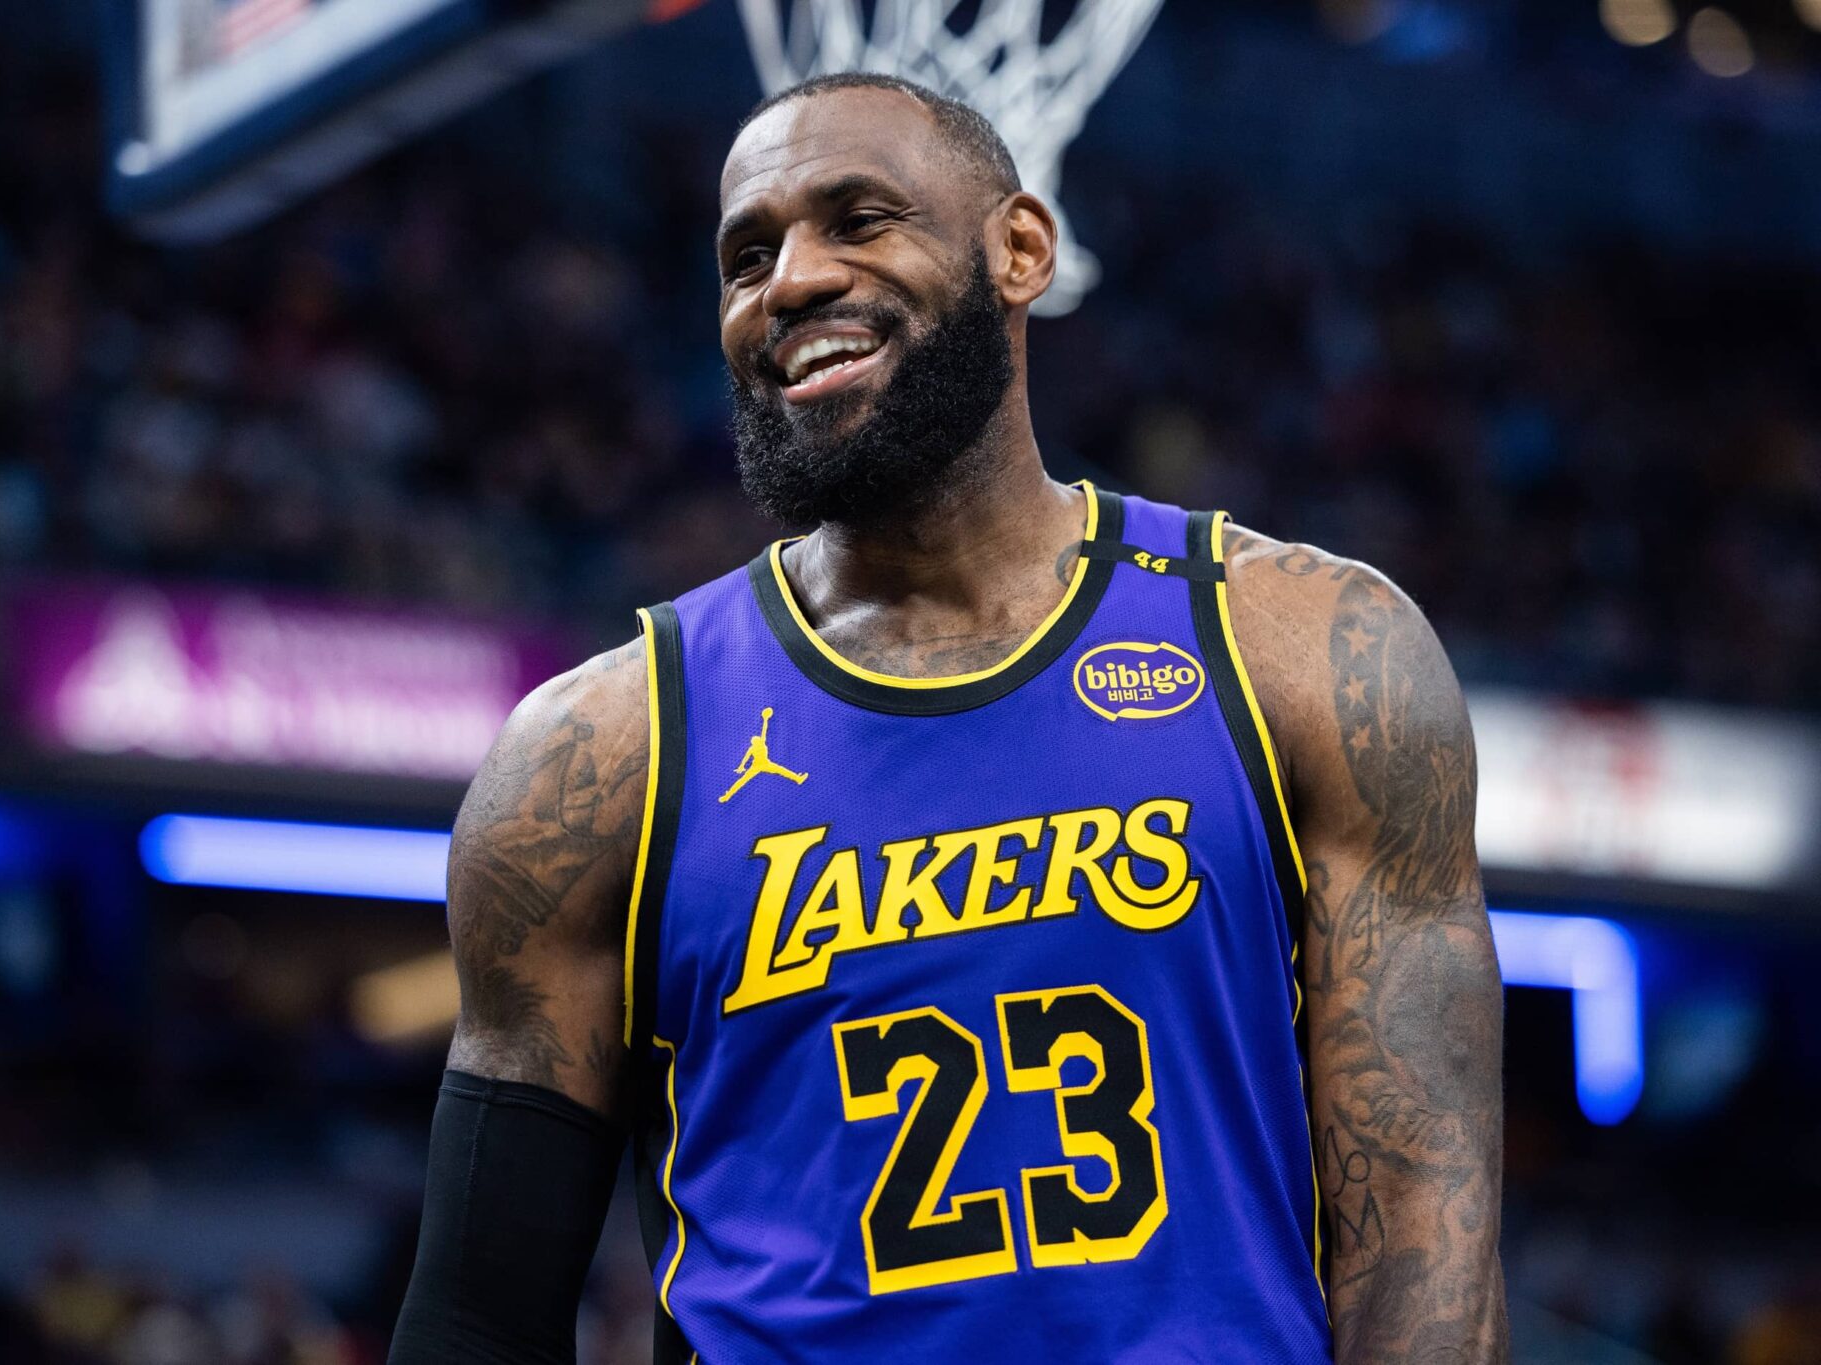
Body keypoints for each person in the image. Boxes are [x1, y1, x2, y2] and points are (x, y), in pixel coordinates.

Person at [389, 72, 1506, 1363]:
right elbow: (475, 1317)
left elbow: (1424, 1242)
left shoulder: (1305, 650)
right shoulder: (596, 757)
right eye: (747, 255)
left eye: (860, 218)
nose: (791, 280)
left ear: (1019, 250)